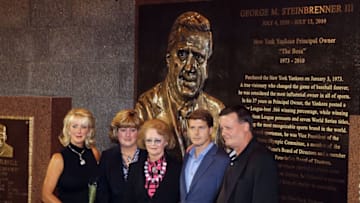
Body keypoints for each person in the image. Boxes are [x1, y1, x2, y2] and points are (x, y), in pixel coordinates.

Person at [135, 11, 224, 159]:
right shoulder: (146, 108)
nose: (190, 67)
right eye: (182, 55)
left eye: (198, 57)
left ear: (207, 64)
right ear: (169, 59)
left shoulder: (217, 112)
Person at [216, 105, 279, 203]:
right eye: (222, 128)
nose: (223, 133)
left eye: (228, 128)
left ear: (246, 126)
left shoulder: (262, 160)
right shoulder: (231, 158)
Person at [42, 108, 100, 203]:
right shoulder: (58, 159)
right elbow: (46, 195)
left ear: (89, 131)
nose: (79, 131)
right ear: (68, 130)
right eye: (74, 126)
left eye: (84, 127)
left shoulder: (94, 153)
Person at [124, 119, 181, 203]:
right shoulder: (134, 169)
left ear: (166, 142)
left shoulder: (177, 169)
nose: (153, 144)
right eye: (149, 140)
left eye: (157, 140)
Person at [97, 109, 147, 203]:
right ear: (116, 132)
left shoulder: (149, 156)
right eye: (123, 130)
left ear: (139, 132)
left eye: (133, 130)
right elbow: (102, 194)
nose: (128, 135)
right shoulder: (107, 157)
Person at [180, 109, 229, 203]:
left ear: (210, 130)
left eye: (201, 128)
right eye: (192, 128)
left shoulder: (222, 160)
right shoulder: (187, 156)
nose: (196, 133)